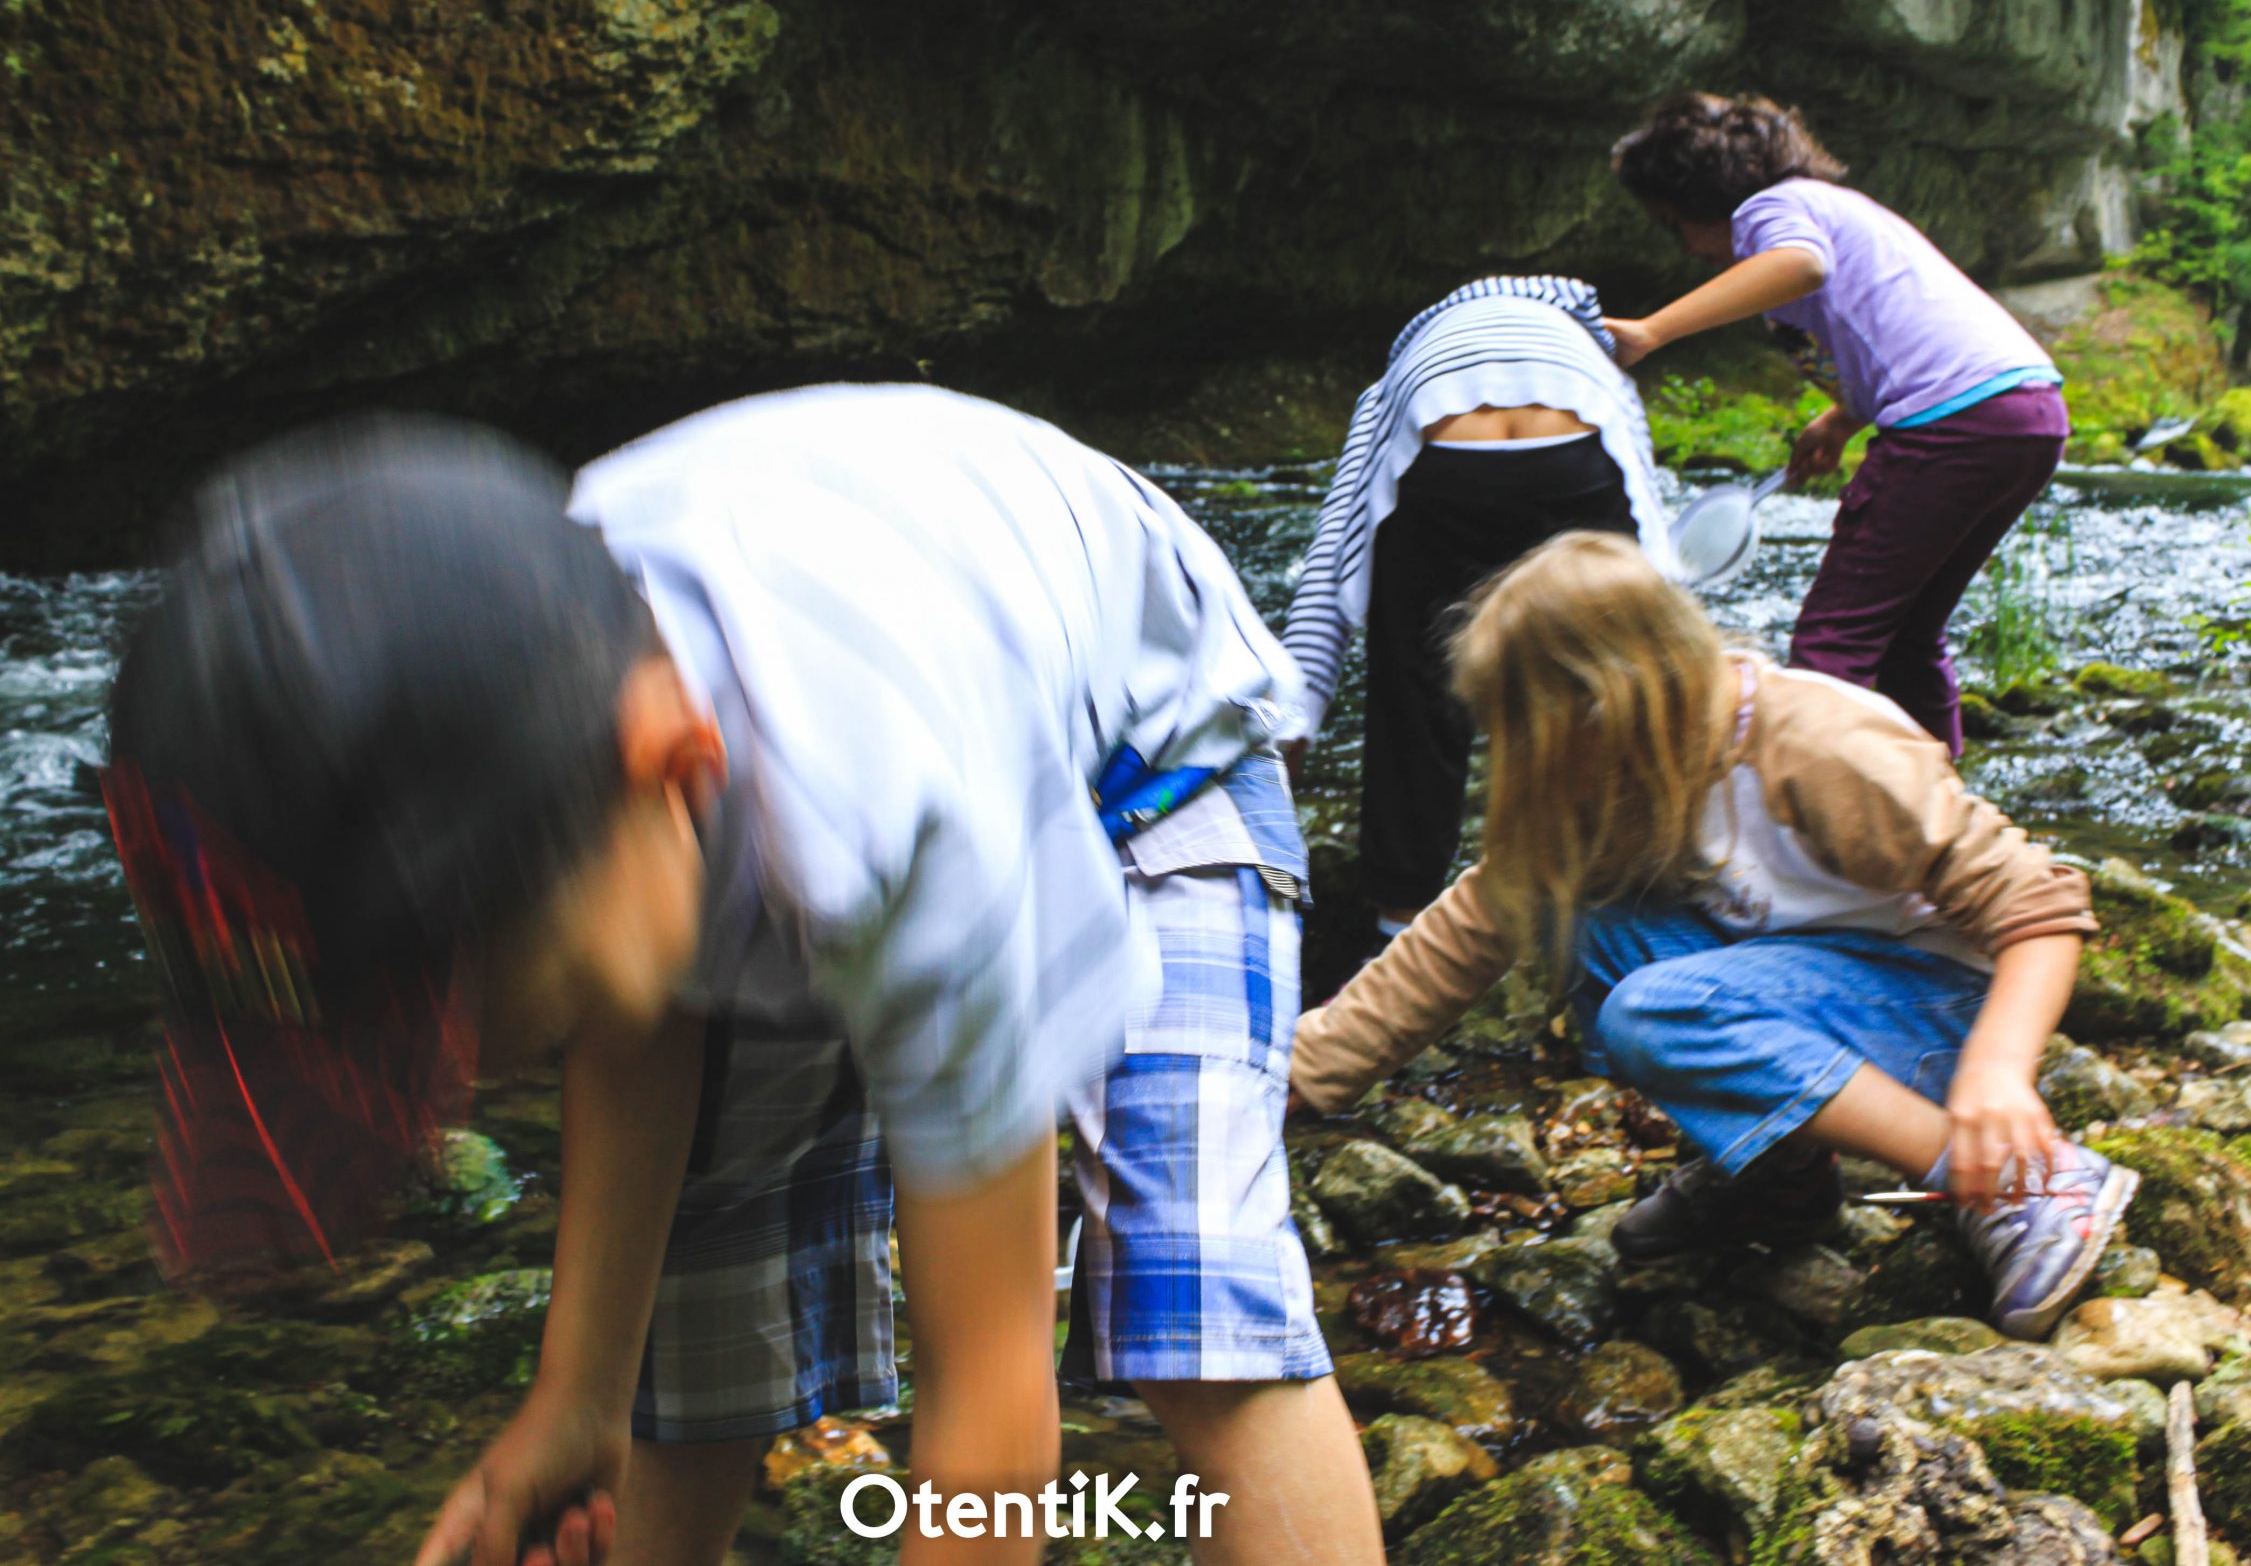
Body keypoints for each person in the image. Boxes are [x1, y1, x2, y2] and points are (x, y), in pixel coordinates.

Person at [102, 387, 1383, 1566]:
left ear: (674, 775)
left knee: (1196, 1310)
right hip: (784, 732)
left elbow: (990, 1389)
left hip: (1147, 759)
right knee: (692, 1356)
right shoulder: (532, 705)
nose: (466, 1081)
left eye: (483, 1023)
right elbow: (637, 1020)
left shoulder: (890, 806)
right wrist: (576, 1400)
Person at [1286, 533, 2136, 1340]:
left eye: (1527, 738)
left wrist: (1996, 1072)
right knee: (1578, 914)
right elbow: (1465, 932)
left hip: (1942, 1009)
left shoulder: (1819, 743)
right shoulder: (1631, 767)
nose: (1513, 762)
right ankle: (1779, 1183)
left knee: (1654, 1013)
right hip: (1817, 992)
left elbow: (2040, 906)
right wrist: (1292, 1074)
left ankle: (2025, 1182)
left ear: (1605, 708)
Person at [1601, 91, 2070, 755]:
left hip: (1952, 424)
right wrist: (1843, 419)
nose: (1682, 245)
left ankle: (1810, 830)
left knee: (1832, 640)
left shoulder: (1773, 210)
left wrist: (1652, 331)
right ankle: (1938, 815)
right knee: (1909, 633)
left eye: (1671, 223)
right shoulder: (1834, 207)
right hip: (2025, 411)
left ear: (1699, 197)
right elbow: (1895, 324)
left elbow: (1803, 267)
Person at [1277, 276, 1680, 945]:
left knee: (1419, 681)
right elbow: (1652, 531)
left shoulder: (1401, 373)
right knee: (1606, 671)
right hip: (1577, 444)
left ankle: (1398, 921)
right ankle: (1618, 898)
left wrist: (1289, 721)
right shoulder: (1589, 356)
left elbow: (1333, 559)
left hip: (1443, 459)